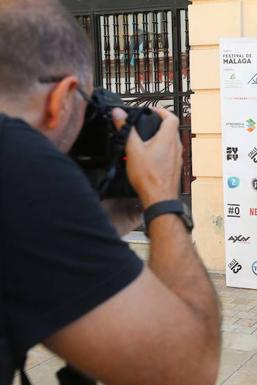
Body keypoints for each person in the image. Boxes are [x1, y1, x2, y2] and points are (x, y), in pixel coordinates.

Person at [0, 1, 221, 384]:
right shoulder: (16, 161)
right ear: (62, 98)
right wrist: (162, 199)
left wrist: (98, 227)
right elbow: (187, 369)